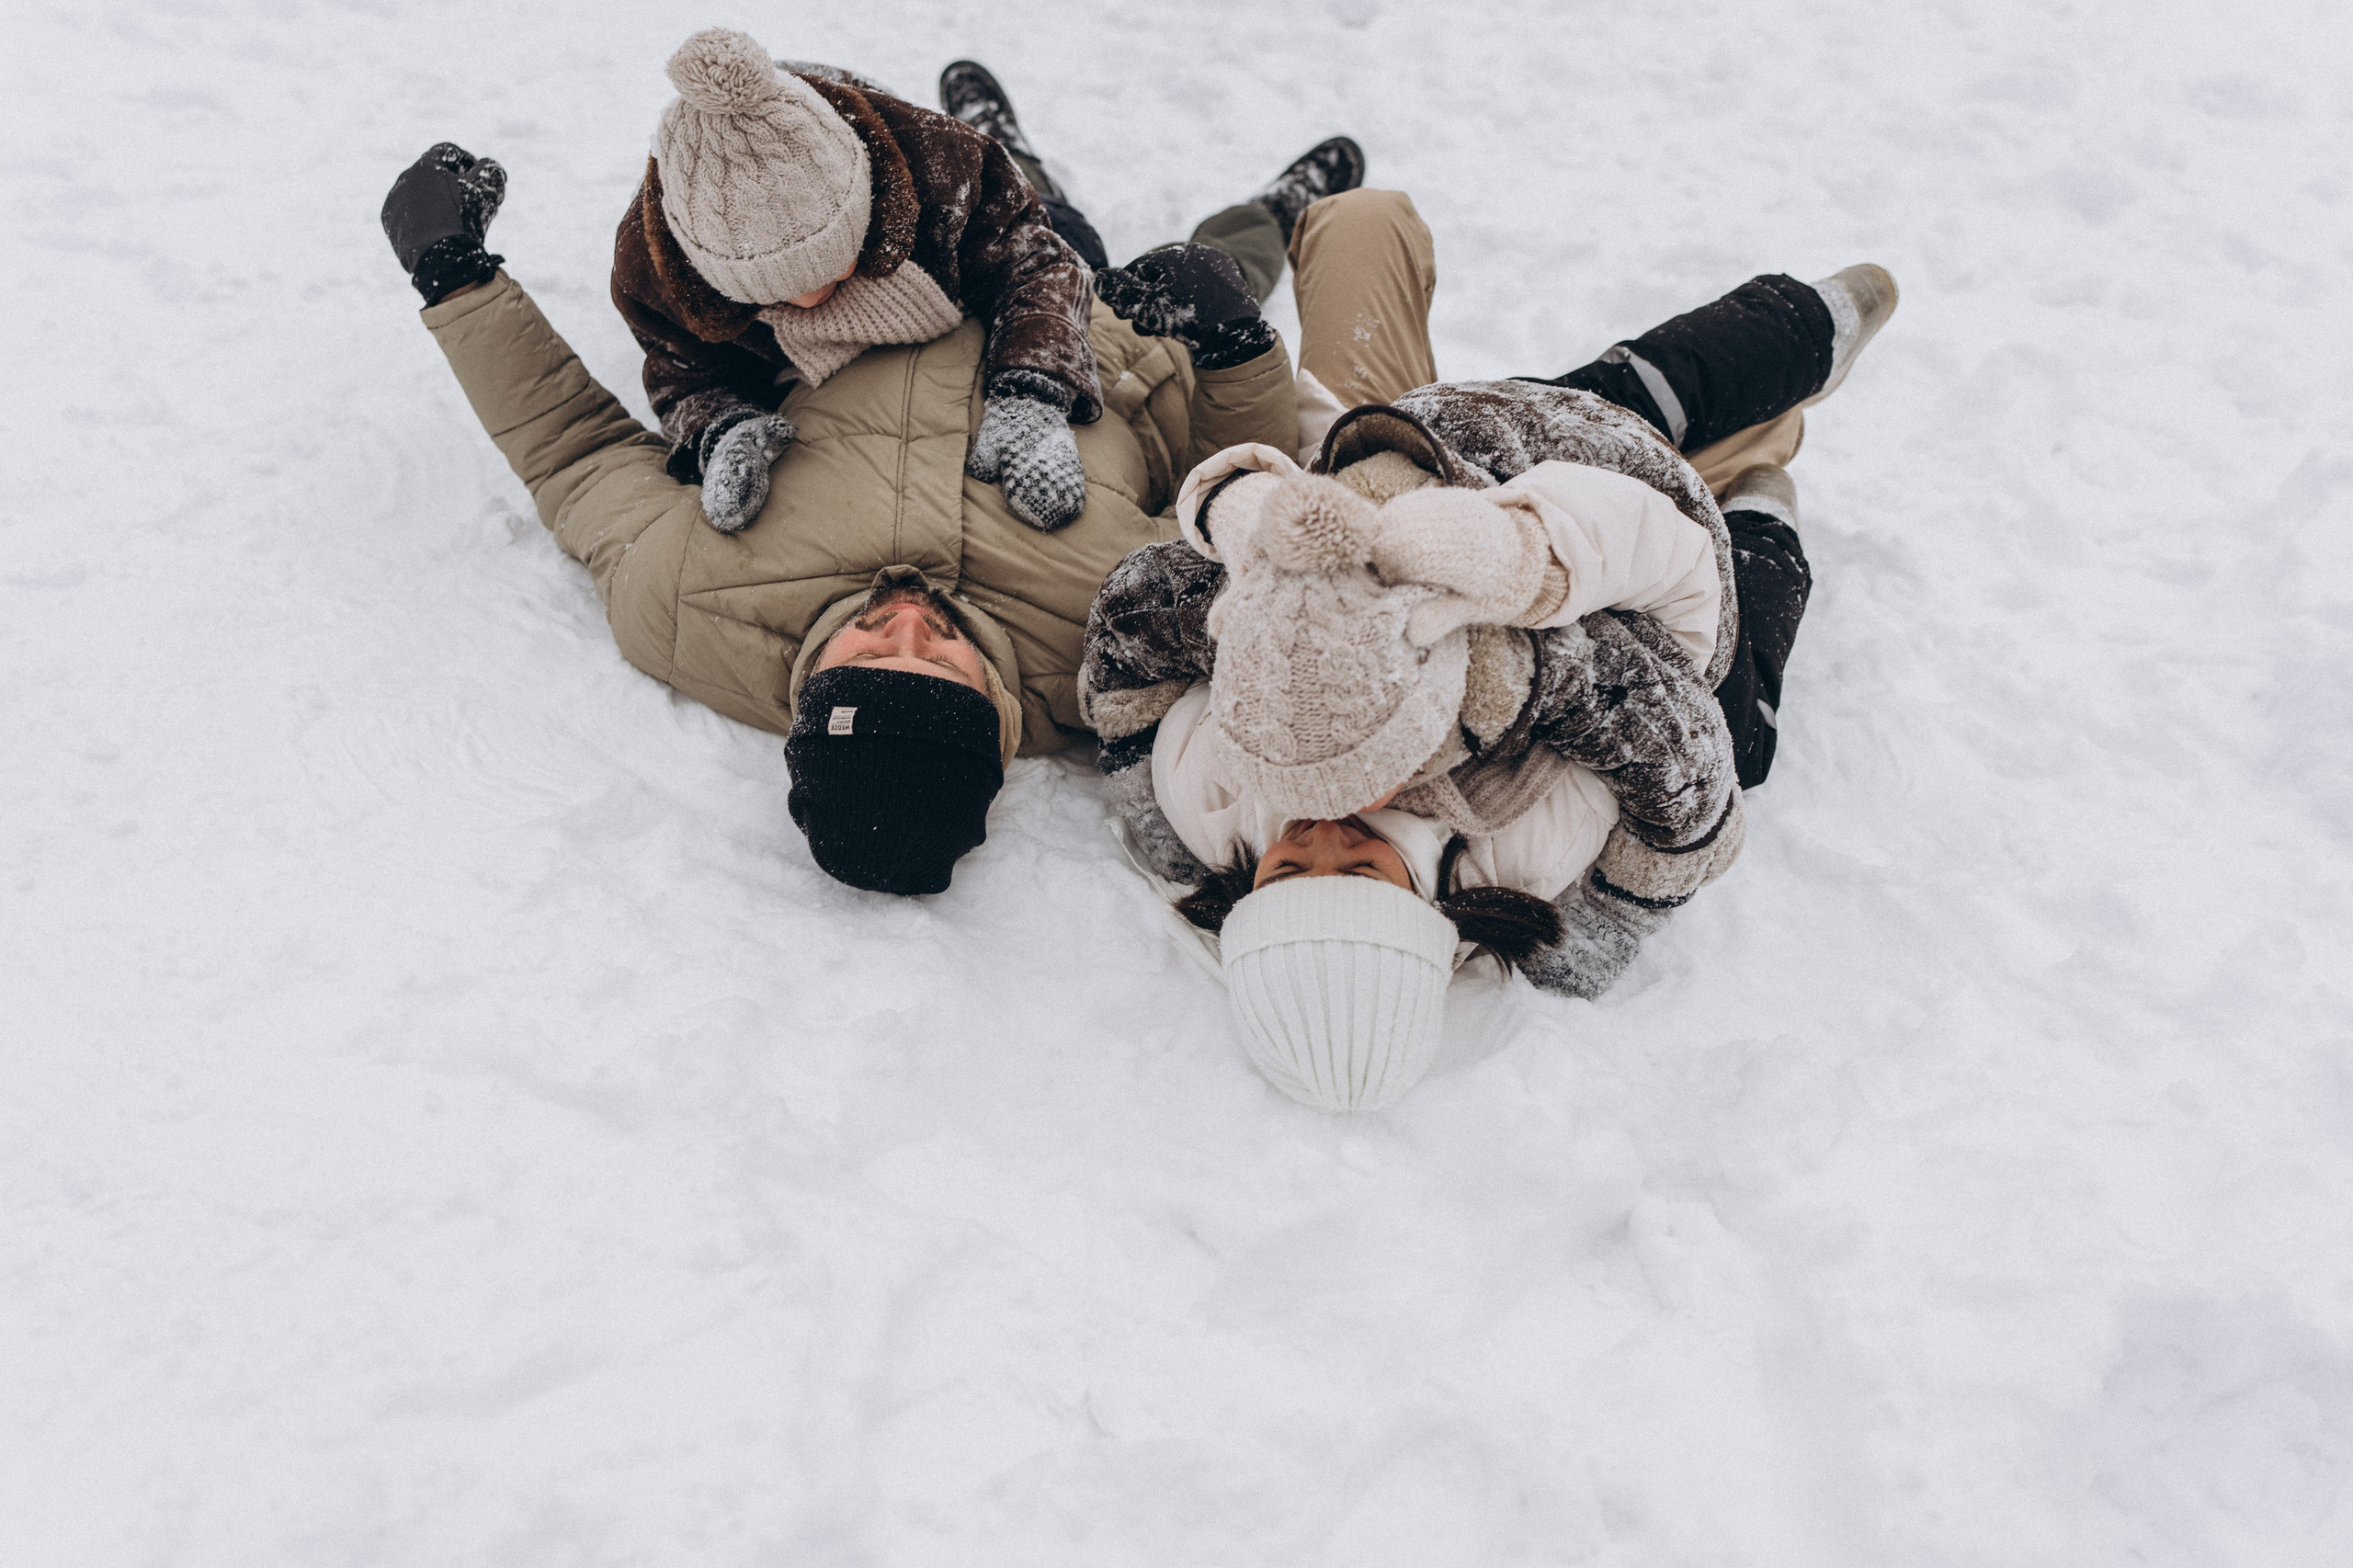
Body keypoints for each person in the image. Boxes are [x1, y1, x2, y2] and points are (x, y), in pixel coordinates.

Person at [378, 62, 1363, 895]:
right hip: (1098, 334)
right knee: (1200, 254)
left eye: (867, 650)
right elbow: (1232, 498)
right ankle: (1277, 208)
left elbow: (574, 454)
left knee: (1024, 197)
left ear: (810, 696)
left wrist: (453, 279)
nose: (906, 616)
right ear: (992, 711)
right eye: (939, 660)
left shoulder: (686, 601)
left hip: (882, 280)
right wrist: (1235, 350)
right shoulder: (1109, 642)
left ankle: (995, 137)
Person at [1078, 188, 1897, 1110]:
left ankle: (1365, 232)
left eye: (1289, 868)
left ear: (1245, 890)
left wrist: (1262, 605)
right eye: (1359, 870)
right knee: (1742, 730)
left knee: (1360, 228)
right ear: (1426, 905)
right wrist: (1507, 684)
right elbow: (1667, 736)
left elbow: (1132, 658)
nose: (1325, 839)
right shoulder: (1520, 849)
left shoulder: (1217, 800)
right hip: (1599, 536)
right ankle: (1761, 500)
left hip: (1400, 456)